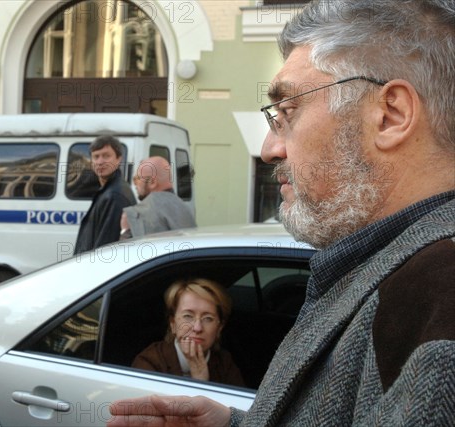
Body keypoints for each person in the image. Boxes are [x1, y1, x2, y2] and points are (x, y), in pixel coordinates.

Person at [108, 0, 455, 425]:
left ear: (389, 115)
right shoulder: (395, 272)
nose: (270, 150)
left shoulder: (434, 303)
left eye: (287, 111)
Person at [132, 278, 244, 387]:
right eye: (188, 316)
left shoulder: (224, 363)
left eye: (208, 318)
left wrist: (202, 382)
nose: (197, 328)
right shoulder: (150, 362)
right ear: (173, 323)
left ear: (219, 327)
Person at [73, 135, 136, 254]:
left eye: (106, 156)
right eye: (96, 157)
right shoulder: (108, 190)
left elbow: (104, 251)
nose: (100, 162)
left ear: (119, 159)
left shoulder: (115, 195)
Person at [120, 156, 196, 239]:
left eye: (137, 178)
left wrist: (125, 231)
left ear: (152, 182)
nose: (134, 183)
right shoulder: (184, 208)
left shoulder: (140, 213)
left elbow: (128, 250)